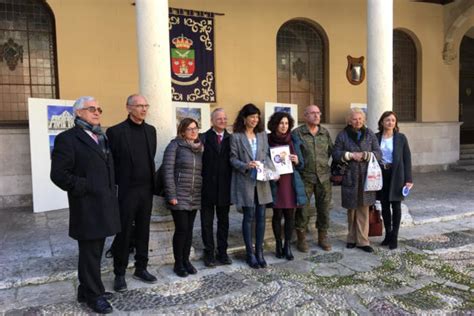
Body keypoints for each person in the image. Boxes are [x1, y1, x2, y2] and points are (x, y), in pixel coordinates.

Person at [50, 96, 120, 314]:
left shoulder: (101, 136)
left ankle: (85, 289)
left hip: (104, 203)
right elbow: (58, 175)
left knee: (95, 250)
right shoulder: (67, 139)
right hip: (87, 205)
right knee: (90, 251)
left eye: (99, 108)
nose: (97, 112)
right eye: (91, 109)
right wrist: (86, 186)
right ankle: (94, 295)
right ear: (78, 113)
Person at [106, 94, 157, 292]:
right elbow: (111, 163)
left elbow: (150, 158)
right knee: (124, 231)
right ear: (128, 108)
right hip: (126, 191)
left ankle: (141, 267)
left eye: (146, 105)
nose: (143, 109)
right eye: (139, 106)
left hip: (146, 190)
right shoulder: (116, 132)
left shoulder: (151, 131)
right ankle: (119, 273)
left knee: (144, 230)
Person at [230, 103, 276, 269]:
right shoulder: (236, 136)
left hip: (262, 181)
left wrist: (270, 169)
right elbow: (232, 159)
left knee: (261, 216)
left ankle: (260, 252)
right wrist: (245, 165)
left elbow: (267, 155)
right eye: (252, 117)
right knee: (248, 216)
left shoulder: (262, 135)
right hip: (246, 180)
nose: (255, 120)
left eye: (257, 117)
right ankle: (250, 253)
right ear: (245, 118)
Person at [332, 107, 382, 253]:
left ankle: (363, 241)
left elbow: (378, 153)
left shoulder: (370, 134)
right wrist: (349, 155)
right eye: (354, 119)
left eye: (360, 119)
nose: (358, 121)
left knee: (364, 209)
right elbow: (335, 153)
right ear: (349, 120)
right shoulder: (342, 135)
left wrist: (366, 155)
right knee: (352, 210)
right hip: (350, 176)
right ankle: (351, 238)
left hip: (367, 177)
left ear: (364, 120)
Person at [163, 118, 203, 277]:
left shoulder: (200, 148)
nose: (193, 131)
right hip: (179, 196)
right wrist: (171, 195)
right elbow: (167, 171)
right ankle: (178, 263)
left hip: (194, 195)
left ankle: (186, 261)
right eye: (189, 129)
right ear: (182, 131)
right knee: (182, 230)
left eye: (195, 128)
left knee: (189, 230)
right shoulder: (175, 146)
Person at [292, 105, 333, 252]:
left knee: (324, 208)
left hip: (324, 178)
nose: (316, 116)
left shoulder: (324, 132)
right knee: (303, 209)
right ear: (305, 116)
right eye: (312, 113)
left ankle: (323, 237)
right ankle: (301, 239)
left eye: (318, 113)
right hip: (305, 177)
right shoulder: (297, 133)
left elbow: (330, 151)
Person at [267, 112, 306, 260]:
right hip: (275, 182)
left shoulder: (294, 139)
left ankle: (287, 246)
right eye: (281, 123)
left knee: (290, 215)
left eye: (286, 123)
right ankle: (278, 245)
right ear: (275, 124)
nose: (284, 126)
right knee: (277, 215)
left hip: (290, 182)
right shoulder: (268, 139)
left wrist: (296, 160)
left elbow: (302, 164)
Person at [200, 108, 233, 267]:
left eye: (225, 118)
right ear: (212, 121)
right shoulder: (203, 138)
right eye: (219, 118)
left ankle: (222, 252)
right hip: (207, 188)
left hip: (225, 188)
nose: (222, 121)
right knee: (206, 222)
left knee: (223, 222)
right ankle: (209, 253)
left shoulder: (231, 139)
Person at [376, 111, 413, 250]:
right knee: (384, 205)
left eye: (393, 120)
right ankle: (388, 234)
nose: (390, 122)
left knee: (396, 205)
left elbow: (407, 159)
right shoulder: (376, 137)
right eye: (387, 120)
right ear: (382, 122)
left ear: (395, 123)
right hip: (381, 173)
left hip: (397, 174)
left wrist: (408, 179)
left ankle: (395, 237)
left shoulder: (401, 138)